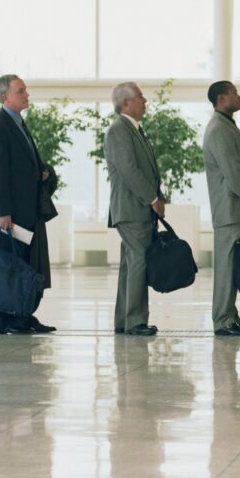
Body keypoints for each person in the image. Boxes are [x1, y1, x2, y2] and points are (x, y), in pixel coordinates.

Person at [0, 74, 59, 334]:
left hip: (27, 212)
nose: (27, 94)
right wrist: (2, 212)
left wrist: (41, 172)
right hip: (10, 215)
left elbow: (20, 167)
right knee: (9, 267)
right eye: (21, 91)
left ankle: (23, 315)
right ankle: (7, 321)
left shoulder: (18, 124)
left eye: (25, 90)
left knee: (25, 266)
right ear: (5, 96)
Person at [202, 81, 240, 337]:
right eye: (235, 93)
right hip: (230, 210)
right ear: (221, 98)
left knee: (233, 265)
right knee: (226, 267)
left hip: (236, 210)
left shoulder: (226, 126)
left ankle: (231, 317)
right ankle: (223, 320)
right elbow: (233, 170)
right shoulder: (218, 129)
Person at [104, 82, 164, 336]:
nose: (145, 100)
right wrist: (152, 198)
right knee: (139, 261)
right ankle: (136, 321)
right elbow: (129, 170)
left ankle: (124, 320)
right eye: (140, 97)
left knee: (131, 265)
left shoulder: (134, 129)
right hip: (131, 209)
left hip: (136, 209)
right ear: (126, 103)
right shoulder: (119, 130)